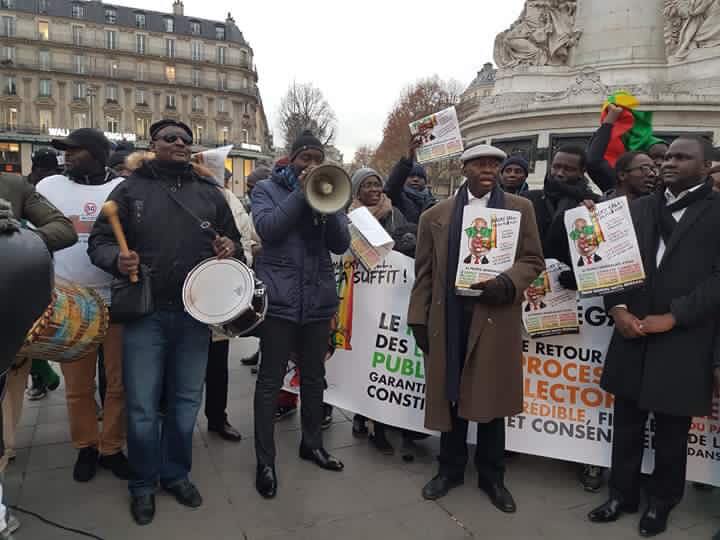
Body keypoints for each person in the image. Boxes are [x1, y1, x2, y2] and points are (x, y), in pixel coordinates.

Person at [88, 119, 243, 525]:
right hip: (146, 314)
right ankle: (142, 484)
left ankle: (176, 474)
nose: (179, 143)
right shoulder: (130, 189)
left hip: (195, 314)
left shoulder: (209, 193)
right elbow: (99, 242)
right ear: (153, 143)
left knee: (186, 402)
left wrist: (230, 247)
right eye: (170, 138)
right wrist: (116, 260)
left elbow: (235, 243)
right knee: (141, 406)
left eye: (186, 140)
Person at [588, 136, 720, 537]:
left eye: (683, 157)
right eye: (669, 157)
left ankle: (662, 502)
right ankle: (621, 495)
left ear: (706, 165)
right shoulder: (635, 209)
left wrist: (674, 317)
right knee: (626, 423)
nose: (670, 163)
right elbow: (609, 264)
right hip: (631, 333)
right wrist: (618, 308)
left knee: (671, 431)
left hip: (683, 339)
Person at [408, 144, 544, 513]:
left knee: (491, 398)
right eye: (480, 163)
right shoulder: (435, 215)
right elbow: (425, 273)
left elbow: (533, 259)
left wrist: (507, 282)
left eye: (494, 164)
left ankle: (492, 476)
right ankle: (449, 470)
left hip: (494, 315)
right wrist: (418, 318)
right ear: (463, 168)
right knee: (450, 394)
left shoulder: (520, 209)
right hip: (450, 315)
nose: (488, 169)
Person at [251, 130, 350, 499]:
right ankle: (265, 461)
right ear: (291, 159)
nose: (311, 164)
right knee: (269, 383)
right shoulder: (267, 190)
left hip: (318, 301)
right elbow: (269, 229)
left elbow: (340, 244)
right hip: (279, 302)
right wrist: (301, 193)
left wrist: (331, 207)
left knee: (314, 378)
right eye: (304, 158)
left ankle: (312, 444)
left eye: (316, 159)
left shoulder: (328, 190)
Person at [35, 129, 129, 483]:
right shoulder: (47, 188)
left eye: (75, 150)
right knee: (77, 386)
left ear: (98, 153)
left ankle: (113, 447)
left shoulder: (122, 188)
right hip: (69, 305)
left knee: (119, 384)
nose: (67, 156)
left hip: (116, 301)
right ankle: (86, 446)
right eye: (65, 150)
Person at [0, 171, 77, 464]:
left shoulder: (12, 185)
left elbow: (64, 229)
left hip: (6, 319)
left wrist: (14, 238)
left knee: (5, 427)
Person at [347, 167, 416, 454]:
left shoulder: (394, 212)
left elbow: (406, 249)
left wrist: (406, 243)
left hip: (393, 296)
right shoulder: (350, 217)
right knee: (366, 361)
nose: (375, 190)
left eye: (378, 184)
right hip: (364, 297)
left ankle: (383, 421)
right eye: (368, 185)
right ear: (357, 191)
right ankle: (365, 418)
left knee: (384, 359)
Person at [203, 170, 253, 443]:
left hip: (217, 291)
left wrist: (235, 250)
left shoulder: (228, 200)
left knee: (217, 360)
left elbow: (243, 239)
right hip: (180, 293)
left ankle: (217, 416)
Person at [587, 104, 665, 192]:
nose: (651, 174)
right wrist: (609, 120)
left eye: (653, 169)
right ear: (622, 175)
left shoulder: (663, 194)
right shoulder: (614, 189)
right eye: (644, 168)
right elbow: (594, 161)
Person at [239, 166, 270, 368]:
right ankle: (261, 351)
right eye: (248, 187)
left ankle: (265, 355)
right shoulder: (251, 209)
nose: (249, 191)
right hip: (256, 266)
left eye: (252, 187)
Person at [384, 136, 437, 223]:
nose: (415, 179)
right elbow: (392, 186)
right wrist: (408, 159)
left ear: (425, 181)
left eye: (420, 177)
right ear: (404, 178)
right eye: (411, 176)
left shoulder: (433, 201)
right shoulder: (397, 197)